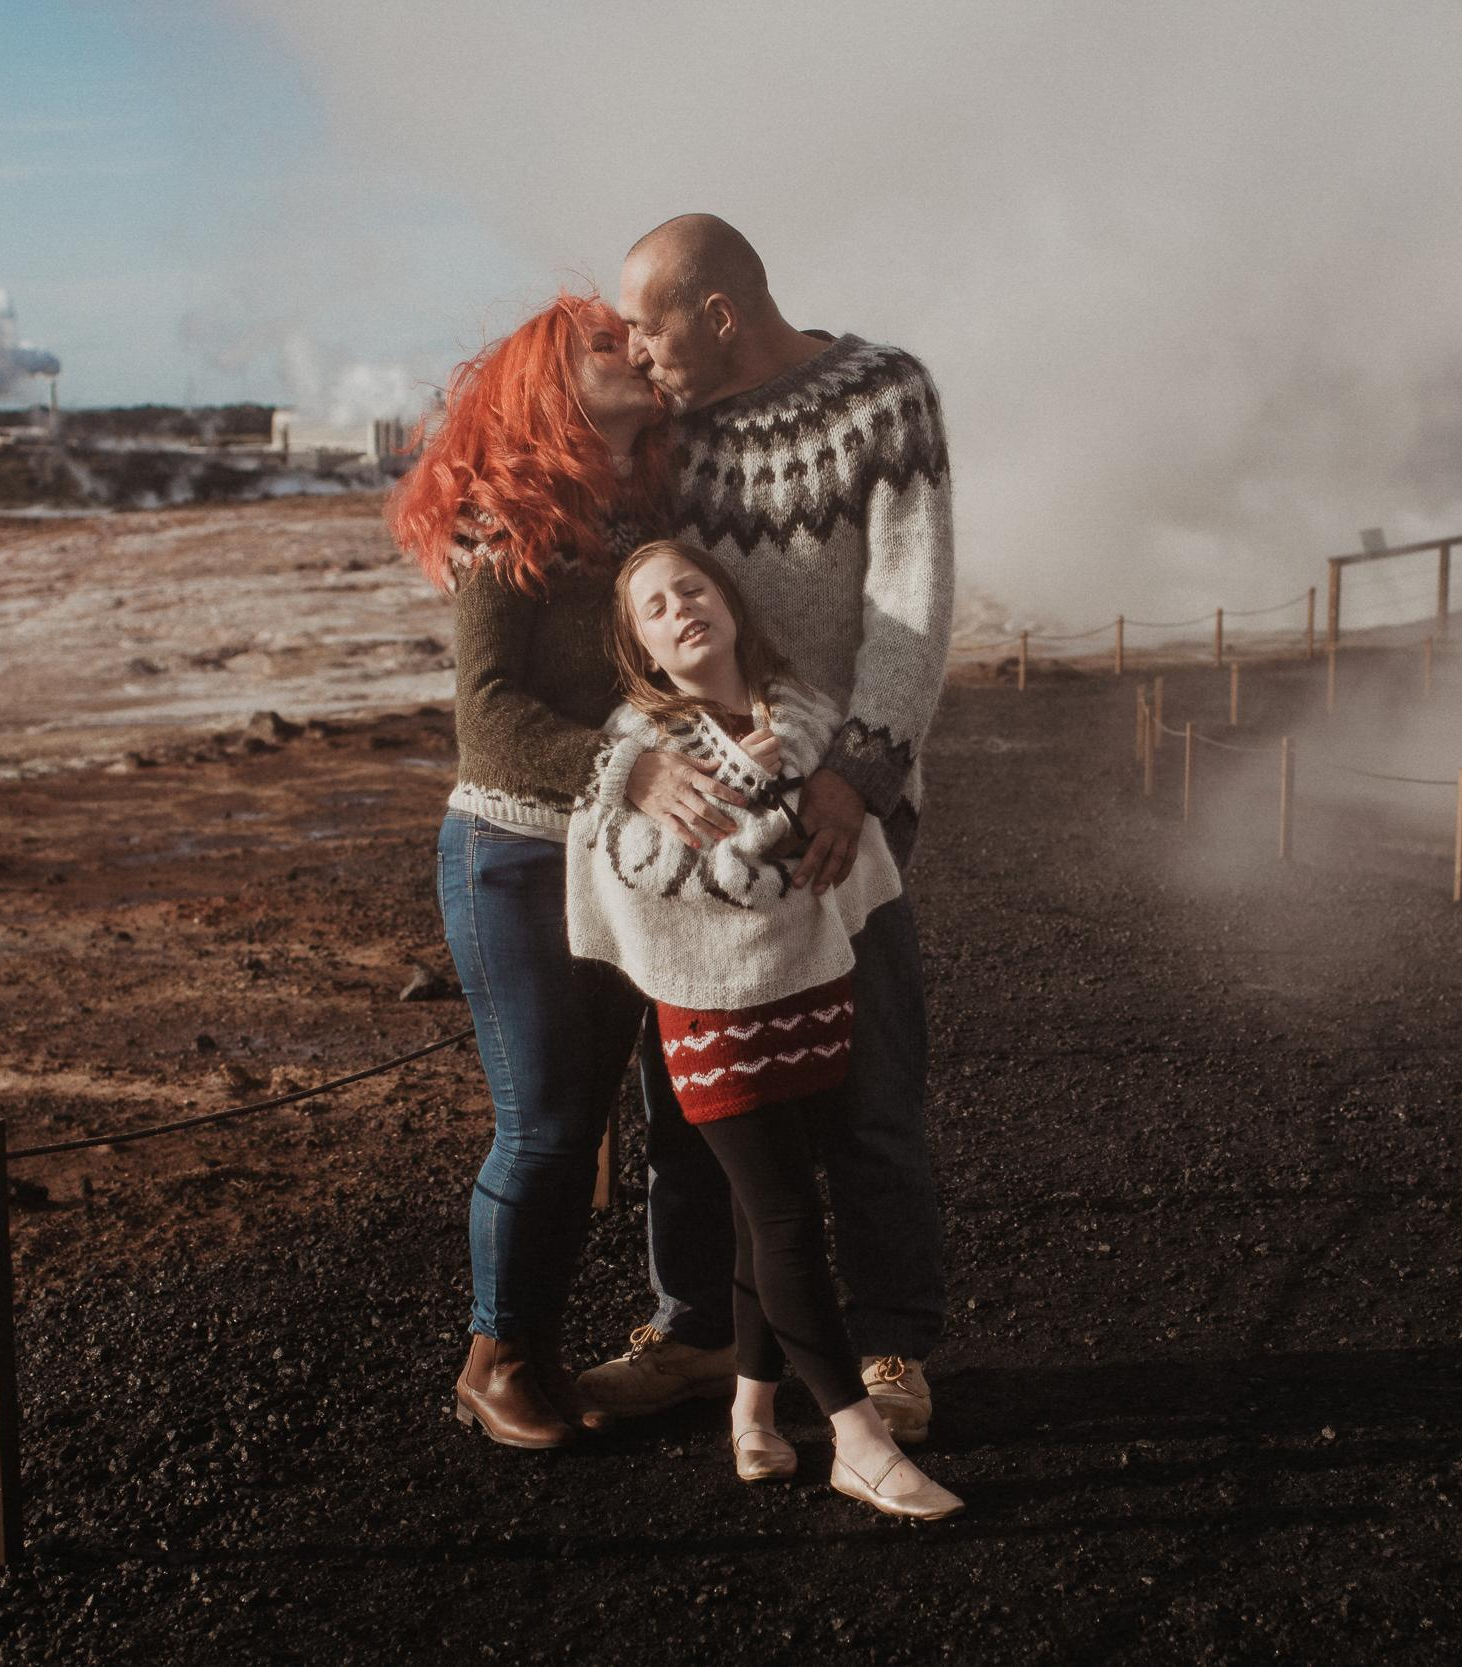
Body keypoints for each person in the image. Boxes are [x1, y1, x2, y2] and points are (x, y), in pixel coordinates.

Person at [577, 215, 956, 1444]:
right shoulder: (666, 436)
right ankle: (697, 1331)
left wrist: (860, 772)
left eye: (649, 322)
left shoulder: (881, 398)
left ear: (719, 312)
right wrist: (632, 776)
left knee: (870, 1091)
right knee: (695, 1103)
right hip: (698, 834)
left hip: (847, 816)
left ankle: (892, 1343)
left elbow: (909, 604)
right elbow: (636, 611)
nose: (635, 348)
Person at [386, 292, 755, 1450]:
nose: (637, 352)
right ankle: (499, 1356)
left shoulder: (642, 504)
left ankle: (694, 1331)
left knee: (682, 1104)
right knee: (547, 1123)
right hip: (515, 852)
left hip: (624, 853)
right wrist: (634, 770)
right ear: (550, 380)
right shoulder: (505, 517)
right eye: (609, 343)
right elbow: (488, 716)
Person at [566, 537, 961, 1519]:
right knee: (786, 1214)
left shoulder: (807, 714)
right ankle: (855, 1440)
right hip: (709, 1007)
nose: (680, 609)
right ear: (644, 649)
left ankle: (751, 1406)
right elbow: (632, 871)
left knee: (764, 1210)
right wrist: (749, 801)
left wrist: (788, 783)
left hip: (810, 988)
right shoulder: (639, 746)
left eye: (692, 587)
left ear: (731, 603)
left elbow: (852, 839)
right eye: (654, 607)